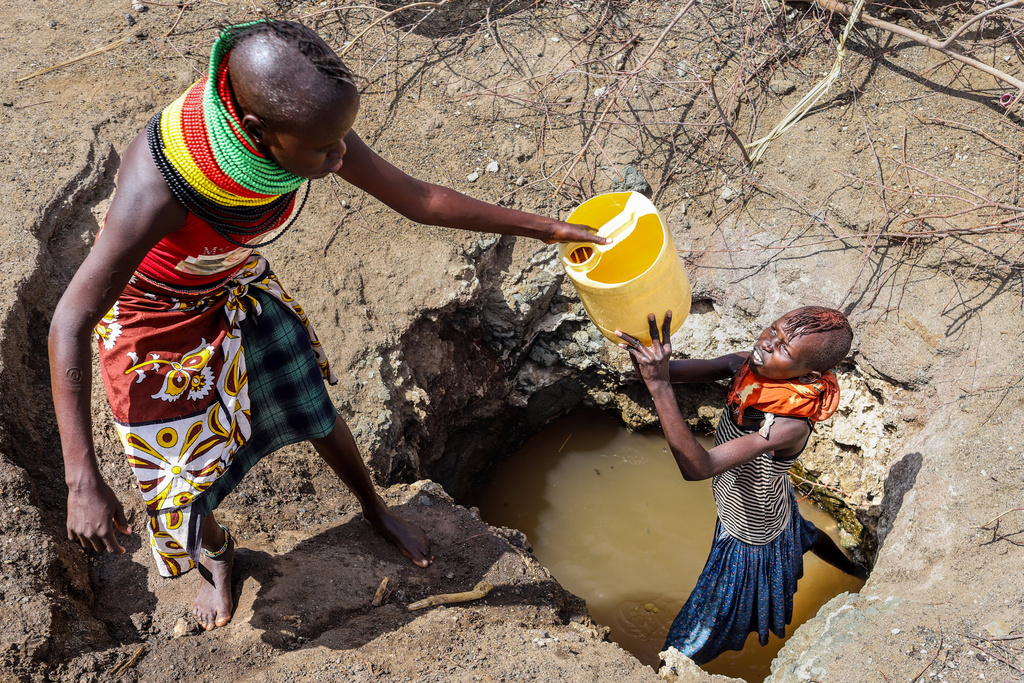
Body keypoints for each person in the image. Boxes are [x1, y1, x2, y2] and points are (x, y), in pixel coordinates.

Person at [48, 19, 605, 632]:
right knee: (181, 476)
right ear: (257, 132)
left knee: (308, 399)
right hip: (153, 317)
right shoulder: (159, 188)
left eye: (342, 138)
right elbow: (70, 320)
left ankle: (374, 508)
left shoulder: (307, 123)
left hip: (229, 284)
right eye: (324, 149)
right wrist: (82, 481)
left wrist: (548, 228)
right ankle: (217, 555)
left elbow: (417, 199)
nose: (341, 156)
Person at [615, 306, 868, 666]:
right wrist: (647, 351)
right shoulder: (743, 366)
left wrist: (658, 385)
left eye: (783, 348)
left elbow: (699, 467)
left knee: (690, 638)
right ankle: (856, 571)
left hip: (749, 532)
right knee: (801, 533)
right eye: (773, 330)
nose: (767, 343)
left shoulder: (789, 424)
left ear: (809, 372)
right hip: (774, 501)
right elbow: (662, 372)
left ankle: (666, 670)